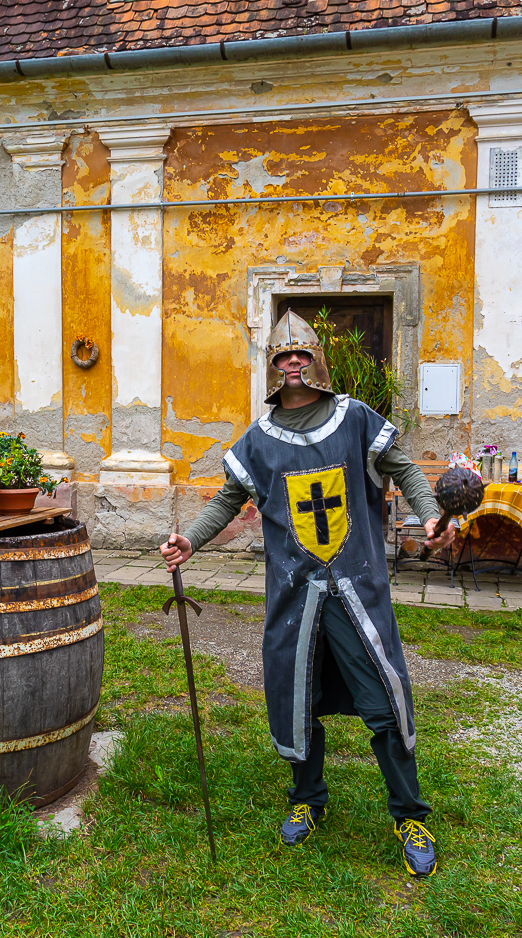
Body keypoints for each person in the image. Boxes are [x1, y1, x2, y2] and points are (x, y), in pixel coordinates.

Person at [160, 311, 455, 877]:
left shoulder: (354, 418)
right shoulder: (258, 440)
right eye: (282, 354)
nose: (292, 361)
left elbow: (406, 471)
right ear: (271, 365)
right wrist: (190, 540)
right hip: (294, 594)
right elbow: (227, 499)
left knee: (385, 702)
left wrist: (429, 515)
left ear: (316, 359)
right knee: (295, 701)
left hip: (357, 590)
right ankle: (307, 798)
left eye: (301, 353)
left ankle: (410, 813)